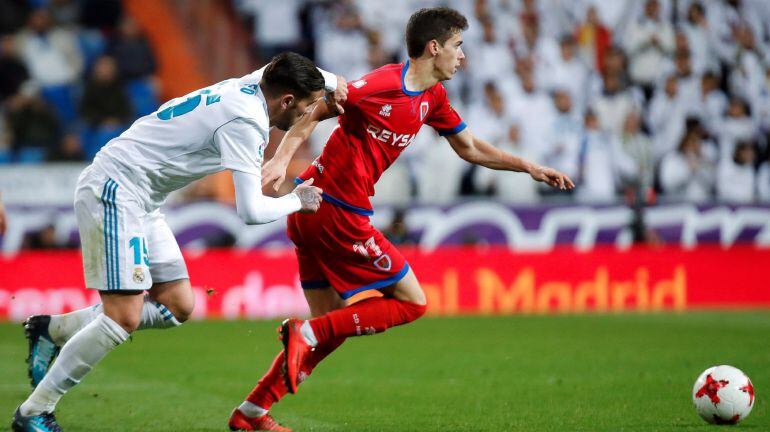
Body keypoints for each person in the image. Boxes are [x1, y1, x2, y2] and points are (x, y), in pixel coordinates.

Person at [228, 8, 574, 431]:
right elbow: (315, 110)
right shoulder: (381, 85)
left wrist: (529, 167)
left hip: (310, 208)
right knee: (412, 302)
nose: (462, 56)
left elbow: (469, 148)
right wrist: (280, 159)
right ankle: (304, 338)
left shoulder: (433, 99)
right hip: (336, 207)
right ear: (434, 48)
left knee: (328, 327)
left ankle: (251, 413)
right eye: (457, 46)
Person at [12, 52, 346, 432]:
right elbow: (251, 211)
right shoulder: (246, 123)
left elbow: (287, 65)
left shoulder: (253, 83)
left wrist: (337, 84)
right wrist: (297, 202)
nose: (306, 115)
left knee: (177, 306)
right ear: (286, 100)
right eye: (303, 108)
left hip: (143, 197)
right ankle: (35, 411)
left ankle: (50, 329)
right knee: (124, 315)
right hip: (116, 188)